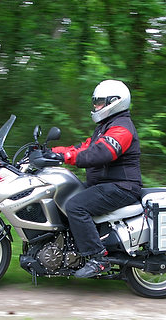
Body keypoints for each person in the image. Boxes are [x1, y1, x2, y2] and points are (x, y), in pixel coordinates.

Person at [51, 80, 142, 278]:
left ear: (115, 102)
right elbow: (85, 147)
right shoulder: (106, 126)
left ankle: (98, 258)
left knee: (75, 206)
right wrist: (53, 152)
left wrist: (66, 157)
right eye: (96, 102)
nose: (96, 106)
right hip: (105, 184)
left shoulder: (122, 128)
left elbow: (101, 152)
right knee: (62, 195)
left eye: (100, 102)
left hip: (121, 187)